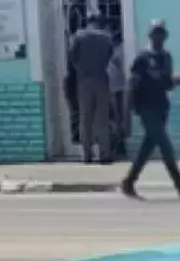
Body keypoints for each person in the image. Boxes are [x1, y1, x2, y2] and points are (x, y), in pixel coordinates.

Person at [121, 20, 180, 200]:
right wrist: (128, 113)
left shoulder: (166, 57)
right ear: (150, 36)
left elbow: (166, 85)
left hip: (162, 107)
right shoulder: (142, 59)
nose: (158, 38)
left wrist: (174, 81)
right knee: (165, 147)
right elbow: (131, 85)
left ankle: (128, 182)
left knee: (147, 148)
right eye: (155, 34)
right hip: (146, 108)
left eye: (161, 34)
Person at [68, 12, 115, 164]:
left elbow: (72, 57)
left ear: (88, 21)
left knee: (85, 118)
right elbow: (109, 56)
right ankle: (104, 154)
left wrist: (80, 69)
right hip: (101, 78)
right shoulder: (106, 38)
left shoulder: (79, 36)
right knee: (102, 119)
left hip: (84, 80)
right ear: (99, 22)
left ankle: (86, 155)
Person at [107, 34, 130, 161]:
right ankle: (119, 144)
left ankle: (119, 144)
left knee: (117, 118)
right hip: (116, 88)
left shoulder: (118, 51)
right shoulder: (118, 51)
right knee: (118, 118)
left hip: (117, 89)